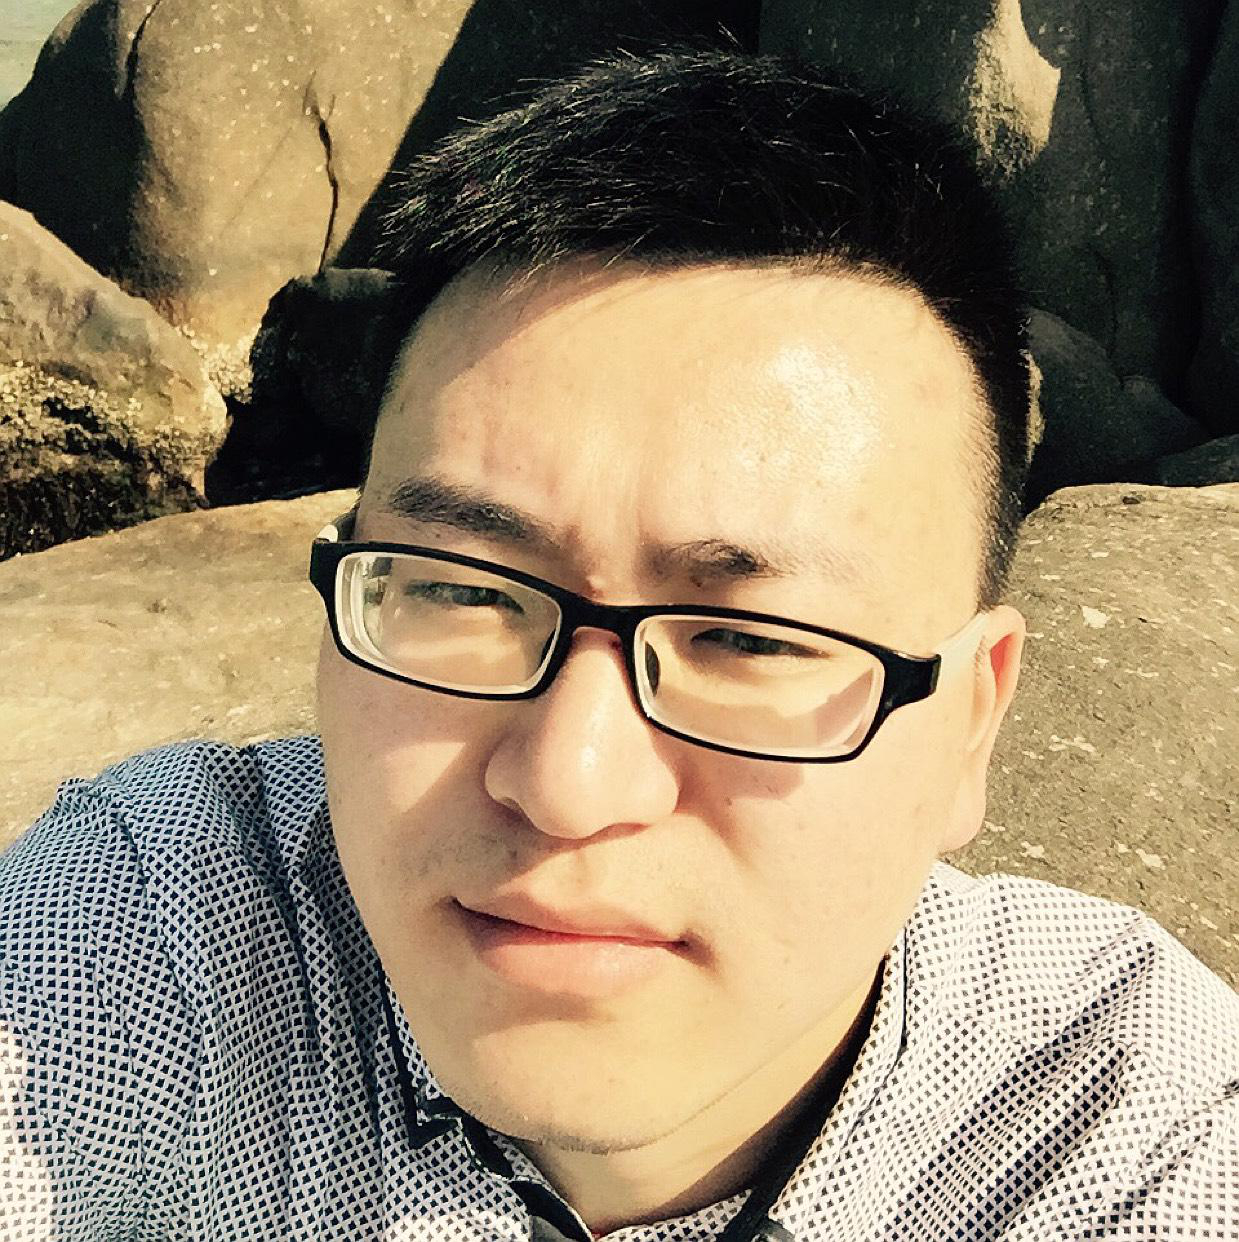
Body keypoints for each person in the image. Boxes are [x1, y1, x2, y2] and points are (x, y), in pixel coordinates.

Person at [2, 46, 1236, 1242]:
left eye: (749, 642)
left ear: (970, 723)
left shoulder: (1132, 1142)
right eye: (467, 594)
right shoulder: (156, 935)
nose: (566, 782)